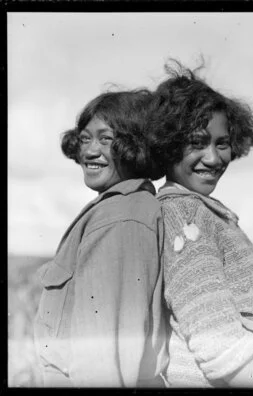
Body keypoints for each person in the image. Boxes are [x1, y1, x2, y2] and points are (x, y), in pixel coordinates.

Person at [146, 60, 253, 388]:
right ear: (168, 146)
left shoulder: (201, 212)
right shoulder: (186, 217)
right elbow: (220, 345)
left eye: (221, 143)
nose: (213, 158)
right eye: (196, 143)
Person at [33, 89, 168, 387]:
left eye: (106, 139)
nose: (90, 151)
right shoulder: (119, 208)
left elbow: (102, 362)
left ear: (136, 147)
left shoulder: (120, 217)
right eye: (85, 138)